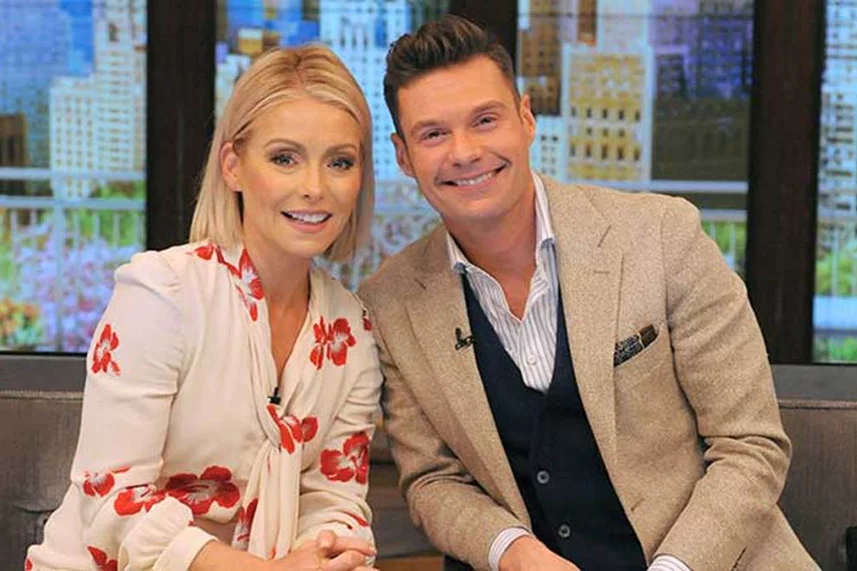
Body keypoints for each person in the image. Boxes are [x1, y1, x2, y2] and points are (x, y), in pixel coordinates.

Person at [358, 15, 818, 571]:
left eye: (485, 120)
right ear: (403, 155)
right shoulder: (391, 302)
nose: (464, 151)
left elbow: (751, 446)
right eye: (433, 134)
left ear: (526, 119)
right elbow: (433, 480)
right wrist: (514, 553)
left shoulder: (662, 236)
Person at [27, 45, 382, 571]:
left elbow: (334, 498)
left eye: (339, 162)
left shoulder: (352, 329)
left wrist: (329, 554)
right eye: (285, 158)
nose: (314, 187)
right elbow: (112, 500)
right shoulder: (161, 294)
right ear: (233, 167)